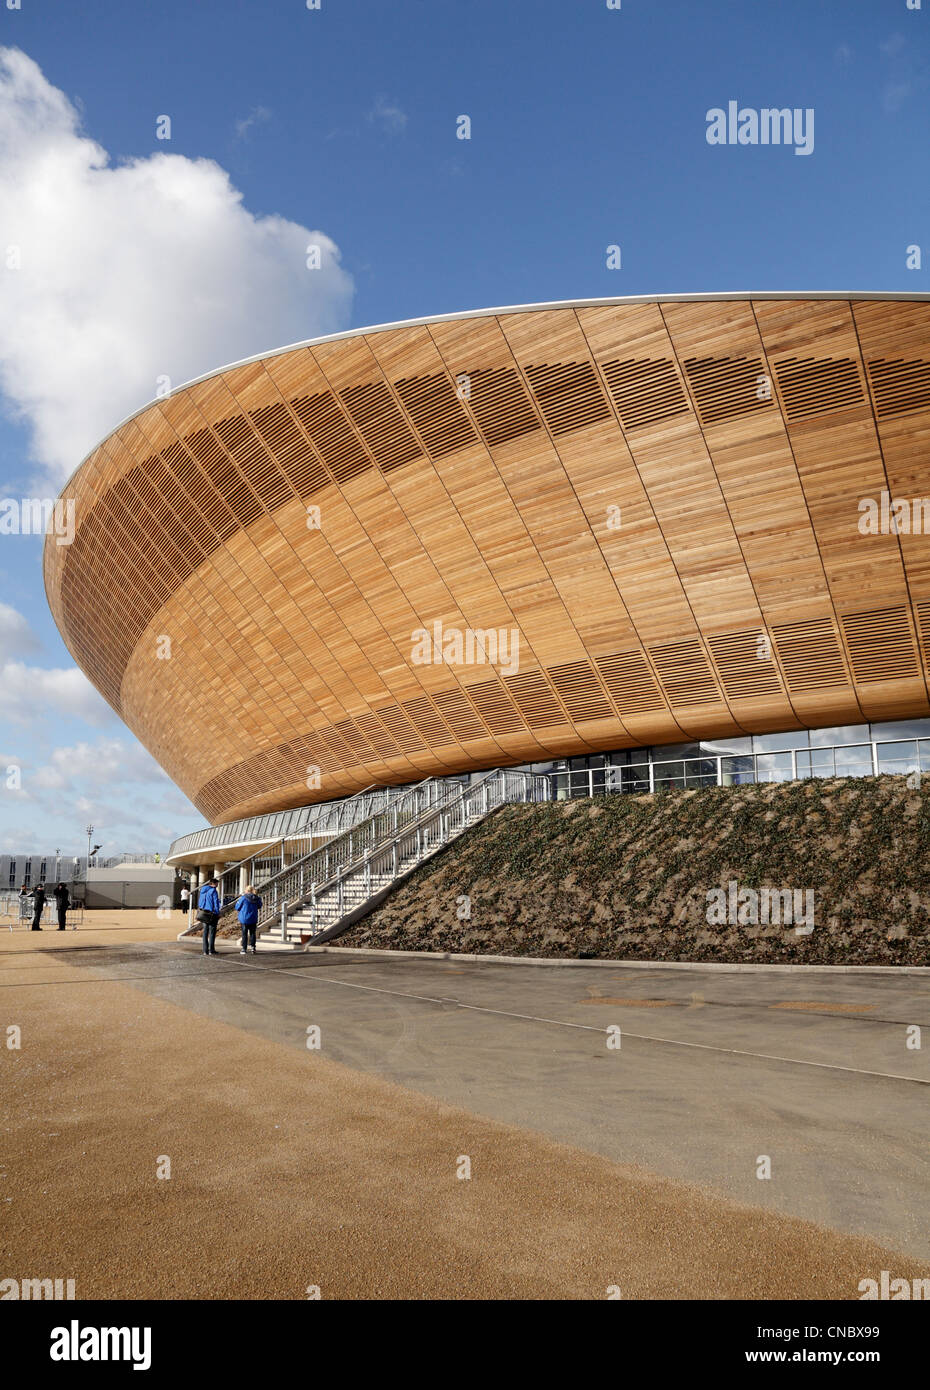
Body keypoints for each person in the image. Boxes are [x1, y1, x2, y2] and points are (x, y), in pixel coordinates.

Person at [235, 885, 263, 955]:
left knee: (244, 934)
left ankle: (244, 949)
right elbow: (259, 906)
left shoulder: (243, 898)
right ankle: (253, 948)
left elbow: (237, 907)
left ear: (246, 890)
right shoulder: (257, 898)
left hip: (244, 918)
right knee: (252, 933)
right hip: (253, 917)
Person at [198, 878, 221, 956]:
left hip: (204, 912)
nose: (217, 885)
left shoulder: (203, 890)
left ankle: (205, 950)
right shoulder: (213, 891)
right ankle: (211, 950)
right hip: (212, 913)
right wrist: (218, 913)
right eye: (217, 883)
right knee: (212, 932)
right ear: (213, 883)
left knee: (205, 932)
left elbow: (200, 901)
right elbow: (216, 903)